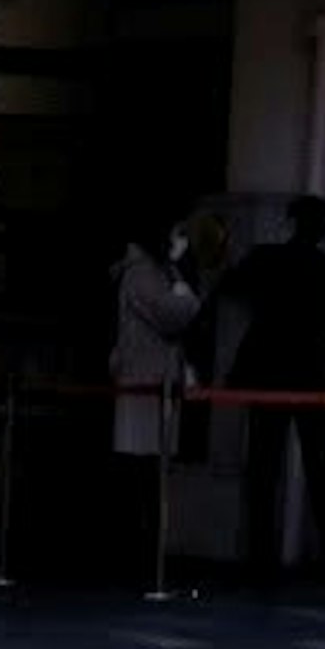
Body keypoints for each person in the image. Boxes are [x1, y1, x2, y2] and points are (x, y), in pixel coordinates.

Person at [225, 195, 325, 582]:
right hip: (311, 371)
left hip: (269, 370)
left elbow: (230, 285)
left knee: (263, 466)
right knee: (321, 466)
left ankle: (259, 556)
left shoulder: (265, 259)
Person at [107, 209, 220, 570]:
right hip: (147, 381)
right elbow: (172, 314)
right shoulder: (143, 274)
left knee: (147, 472)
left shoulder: (146, 272)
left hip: (150, 380)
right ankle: (142, 555)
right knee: (144, 473)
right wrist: (186, 292)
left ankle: (144, 552)